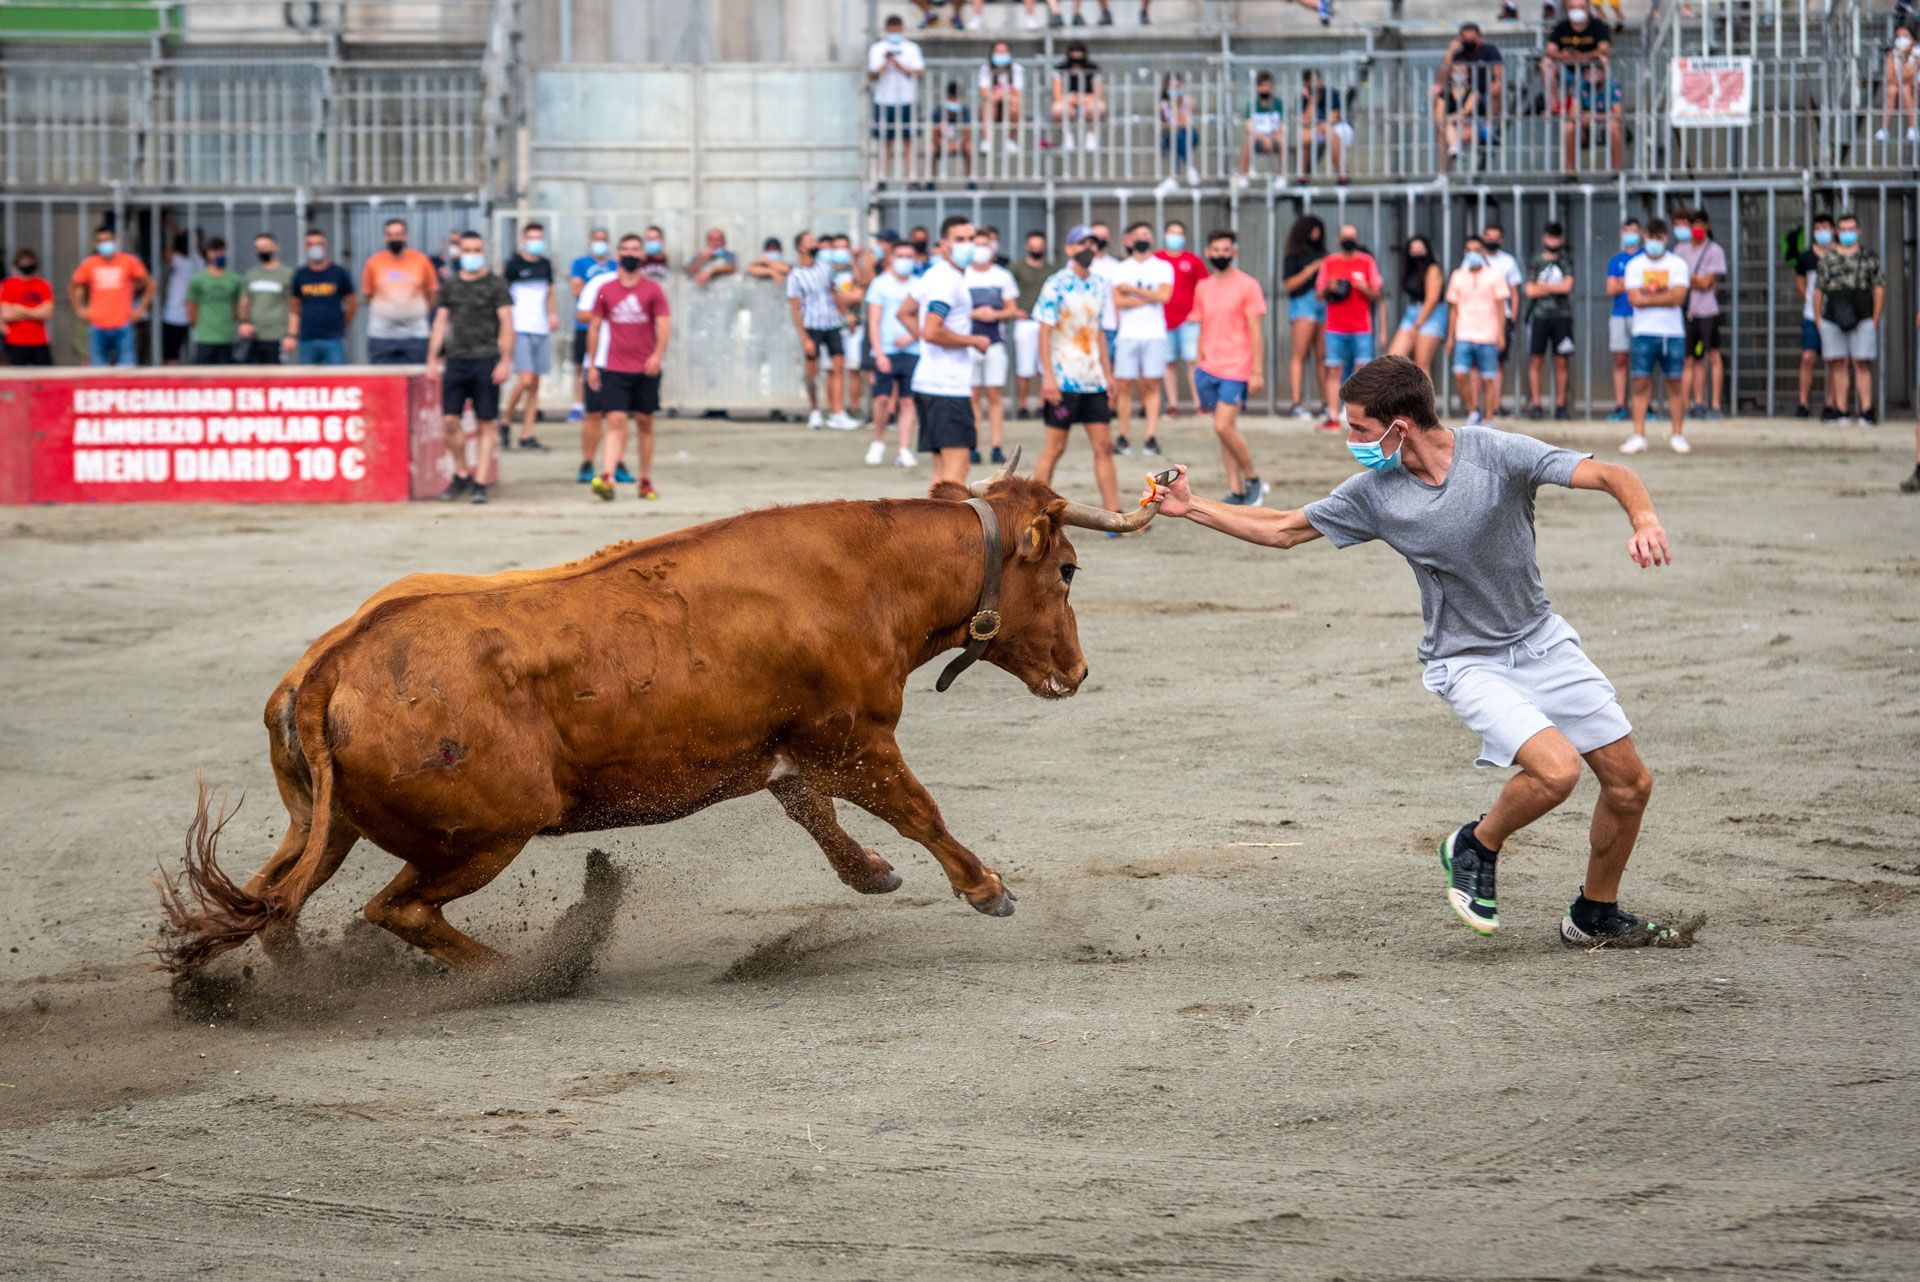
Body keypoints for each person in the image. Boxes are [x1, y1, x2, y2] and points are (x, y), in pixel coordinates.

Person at [1143, 354, 1671, 947]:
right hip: (1467, 661)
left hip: (1542, 640)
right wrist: (1192, 509)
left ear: (1400, 425)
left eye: (1359, 429)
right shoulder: (1376, 493)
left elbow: (1611, 475)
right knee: (1557, 771)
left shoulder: (1496, 454)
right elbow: (1284, 529)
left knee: (1630, 786)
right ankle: (1475, 844)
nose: (1351, 441)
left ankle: (1594, 914)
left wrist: (1643, 519)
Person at [1031, 224, 1121, 515]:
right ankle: (1031, 512)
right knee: (1055, 447)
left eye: (1092, 243)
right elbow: (1043, 333)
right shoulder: (1056, 284)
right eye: (1081, 243)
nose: (1088, 248)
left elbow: (1098, 333)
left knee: (1104, 446)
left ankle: (1114, 513)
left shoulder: (1098, 284)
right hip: (1064, 380)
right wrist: (1049, 378)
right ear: (1069, 248)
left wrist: (1108, 375)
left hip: (1093, 380)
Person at [898, 215, 989, 487]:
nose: (968, 245)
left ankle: (929, 529)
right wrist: (972, 340)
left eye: (971, 238)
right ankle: (945, 530)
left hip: (931, 383)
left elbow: (905, 312)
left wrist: (924, 340)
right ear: (944, 245)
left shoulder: (934, 274)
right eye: (960, 239)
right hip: (946, 387)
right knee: (955, 476)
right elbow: (933, 330)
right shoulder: (947, 280)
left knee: (941, 477)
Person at [426, 231, 513, 505]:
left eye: (477, 250)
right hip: (456, 359)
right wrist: (431, 358)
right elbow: (441, 321)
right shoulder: (450, 285)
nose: (472, 255)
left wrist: (505, 360)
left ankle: (481, 482)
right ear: (459, 252)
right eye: (467, 250)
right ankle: (461, 472)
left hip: (486, 358)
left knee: (485, 422)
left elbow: (507, 323)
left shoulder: (495, 284)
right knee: (450, 420)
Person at [586, 233, 672, 500]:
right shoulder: (606, 290)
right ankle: (608, 476)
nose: (631, 254)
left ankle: (645, 479)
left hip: (645, 366)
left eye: (636, 249)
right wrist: (591, 365)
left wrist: (657, 355)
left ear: (643, 255)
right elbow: (595, 327)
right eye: (626, 249)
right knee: (615, 419)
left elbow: (664, 325)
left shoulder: (653, 290)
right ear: (617, 255)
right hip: (615, 366)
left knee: (645, 422)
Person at [1192, 229, 1269, 507]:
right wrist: (1199, 363)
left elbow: (1256, 332)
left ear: (1234, 253)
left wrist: (1257, 370)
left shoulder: (1248, 285)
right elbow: (1202, 326)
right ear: (1208, 252)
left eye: (1227, 250)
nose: (1221, 255)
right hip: (1209, 367)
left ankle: (1253, 479)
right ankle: (1235, 490)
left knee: (1224, 426)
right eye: (1217, 250)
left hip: (1237, 367)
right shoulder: (1203, 287)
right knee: (1223, 429)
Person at [1620, 218, 1690, 455]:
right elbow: (1634, 299)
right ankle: (1638, 435)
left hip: (1672, 333)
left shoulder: (1678, 264)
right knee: (1640, 383)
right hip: (1643, 333)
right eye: (1651, 237)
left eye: (1659, 238)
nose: (1654, 243)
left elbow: (1679, 297)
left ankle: (1678, 434)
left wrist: (1647, 298)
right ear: (1645, 237)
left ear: (1665, 239)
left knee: (1675, 384)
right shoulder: (1634, 265)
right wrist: (1665, 295)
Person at [1811, 212, 1886, 427]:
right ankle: (1841, 411)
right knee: (1838, 363)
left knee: (1862, 362)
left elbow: (1879, 287)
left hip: (1863, 317)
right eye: (1843, 230)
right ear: (1837, 231)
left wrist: (1875, 318)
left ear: (1858, 231)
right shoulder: (1828, 259)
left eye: (1851, 229)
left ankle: (1866, 411)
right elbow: (1818, 291)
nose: (1847, 234)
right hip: (1833, 318)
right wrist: (1818, 320)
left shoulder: (1869, 257)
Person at [1108, 222, 1174, 457]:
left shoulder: (1163, 267)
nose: (1142, 238)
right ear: (1129, 240)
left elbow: (1164, 296)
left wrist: (1133, 291)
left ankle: (1150, 435)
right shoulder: (1120, 268)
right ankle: (1124, 435)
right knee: (1124, 385)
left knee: (1151, 384)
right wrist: (1150, 297)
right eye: (1138, 235)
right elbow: (1118, 301)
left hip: (1154, 333)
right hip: (1128, 333)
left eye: (1147, 234)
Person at [788, 231, 858, 430]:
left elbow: (834, 294)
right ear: (801, 247)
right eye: (810, 241)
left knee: (838, 365)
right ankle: (815, 411)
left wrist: (846, 314)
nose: (815, 244)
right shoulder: (796, 275)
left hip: (831, 323)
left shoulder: (825, 269)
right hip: (811, 325)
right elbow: (795, 307)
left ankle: (837, 412)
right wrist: (805, 338)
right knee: (812, 370)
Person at [1315, 224, 1382, 431]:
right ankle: (1333, 416)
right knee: (1334, 369)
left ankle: (1360, 417)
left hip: (1361, 325)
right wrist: (1331, 288)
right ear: (1338, 239)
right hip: (1335, 326)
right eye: (1345, 236)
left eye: (1352, 236)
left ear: (1358, 239)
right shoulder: (1330, 262)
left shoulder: (1366, 261)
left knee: (1362, 371)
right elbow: (1319, 293)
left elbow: (1377, 294)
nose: (1349, 240)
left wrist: (1364, 289)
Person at [502, 221, 559, 453]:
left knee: (535, 385)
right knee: (524, 380)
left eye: (539, 237)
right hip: (520, 327)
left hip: (540, 327)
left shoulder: (545, 265)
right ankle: (504, 421)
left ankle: (528, 434)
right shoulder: (513, 265)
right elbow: (503, 298)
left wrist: (553, 314)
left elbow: (550, 292)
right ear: (524, 240)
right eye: (532, 237)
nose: (536, 242)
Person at [571, 266, 629, 488]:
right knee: (594, 413)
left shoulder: (643, 286)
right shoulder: (601, 285)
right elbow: (583, 314)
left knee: (620, 416)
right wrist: (608, 310)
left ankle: (618, 463)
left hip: (626, 361)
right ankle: (587, 463)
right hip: (599, 360)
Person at [866, 240, 921, 468]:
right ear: (891, 258)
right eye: (901, 255)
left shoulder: (919, 285)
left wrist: (910, 336)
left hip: (912, 350)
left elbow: (923, 319)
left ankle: (904, 448)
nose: (905, 260)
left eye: (909, 256)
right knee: (882, 398)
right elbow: (874, 320)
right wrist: (879, 353)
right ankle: (878, 442)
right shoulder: (880, 284)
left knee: (908, 402)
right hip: (886, 351)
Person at [965, 228, 1019, 464]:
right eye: (976, 243)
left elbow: (1011, 308)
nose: (980, 248)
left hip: (995, 342)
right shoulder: (963, 274)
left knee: (995, 394)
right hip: (967, 343)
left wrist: (994, 314)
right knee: (973, 395)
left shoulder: (1002, 276)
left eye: (984, 244)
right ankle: (974, 445)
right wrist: (973, 313)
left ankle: (996, 445)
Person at [1446, 236, 1511, 427]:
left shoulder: (1494, 275)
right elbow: (1454, 308)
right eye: (1469, 249)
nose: (1472, 253)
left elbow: (1501, 307)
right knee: (1460, 373)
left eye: (1476, 249)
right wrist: (1450, 337)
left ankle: (1488, 418)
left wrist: (1501, 333)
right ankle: (1473, 410)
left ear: (1482, 252)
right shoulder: (1458, 275)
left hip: (1488, 334)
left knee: (1489, 377)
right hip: (1464, 332)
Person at [70, 227, 152, 368]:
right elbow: (73, 287)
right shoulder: (89, 264)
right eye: (100, 241)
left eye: (107, 240)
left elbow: (149, 284)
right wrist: (79, 309)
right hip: (97, 324)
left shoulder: (128, 261)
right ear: (95, 244)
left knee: (126, 368)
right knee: (97, 369)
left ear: (115, 241)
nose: (104, 244)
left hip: (123, 323)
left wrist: (140, 309)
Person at [362, 220, 437, 364]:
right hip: (381, 336)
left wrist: (418, 311)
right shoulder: (373, 262)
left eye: (398, 234)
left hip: (415, 335)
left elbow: (431, 292)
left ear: (405, 236)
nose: (394, 238)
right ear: (385, 237)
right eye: (390, 234)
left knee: (416, 381)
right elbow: (368, 295)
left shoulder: (421, 261)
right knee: (382, 381)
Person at [1676, 210, 1727, 421]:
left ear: (1706, 225)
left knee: (1713, 356)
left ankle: (1714, 405)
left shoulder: (1714, 250)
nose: (1695, 229)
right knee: (1691, 359)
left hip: (1708, 313)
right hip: (1689, 313)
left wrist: (1689, 279)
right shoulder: (1680, 249)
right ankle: (1691, 405)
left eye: (1699, 224)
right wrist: (1697, 279)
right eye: (1692, 224)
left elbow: (1708, 284)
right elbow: (1679, 281)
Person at [1524, 222, 1576, 420]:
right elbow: (1529, 290)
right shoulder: (1535, 260)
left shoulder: (1565, 260)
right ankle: (1536, 404)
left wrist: (1543, 286)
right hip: (1539, 317)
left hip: (1562, 318)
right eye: (1550, 236)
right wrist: (1556, 286)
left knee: (1561, 361)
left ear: (1561, 239)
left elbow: (1567, 287)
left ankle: (1561, 405)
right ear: (1544, 238)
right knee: (1536, 360)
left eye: (1556, 237)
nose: (1553, 241)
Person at [1435, 22, 1503, 170]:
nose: (1468, 43)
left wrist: (1495, 82)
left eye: (1471, 40)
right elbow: (1441, 78)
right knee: (1442, 129)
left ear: (1479, 38)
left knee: (1497, 88)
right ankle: (1444, 174)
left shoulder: (1489, 50)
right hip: (1462, 102)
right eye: (1465, 40)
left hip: (1482, 96)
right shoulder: (1458, 54)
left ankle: (1489, 124)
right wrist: (1450, 51)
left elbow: (1498, 73)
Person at [567, 227, 617, 424]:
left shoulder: (614, 265)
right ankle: (578, 405)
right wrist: (599, 293)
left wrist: (599, 294)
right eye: (596, 239)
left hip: (608, 329)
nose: (600, 242)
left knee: (608, 367)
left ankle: (607, 405)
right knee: (582, 366)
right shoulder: (580, 263)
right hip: (585, 326)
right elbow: (577, 289)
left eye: (603, 239)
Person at [868, 16, 924, 189]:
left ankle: (911, 178)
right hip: (884, 100)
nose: (894, 34)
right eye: (891, 31)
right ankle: (882, 177)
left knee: (909, 140)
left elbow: (919, 73)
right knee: (885, 141)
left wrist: (899, 65)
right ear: (886, 30)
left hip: (907, 99)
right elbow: (871, 74)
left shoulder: (911, 48)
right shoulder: (877, 49)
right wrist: (886, 63)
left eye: (897, 31)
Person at [1158, 220, 1206, 417]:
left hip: (1189, 321)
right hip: (1163, 321)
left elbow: (1203, 288)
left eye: (1179, 233)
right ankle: (1173, 405)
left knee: (1193, 362)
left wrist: (1197, 312)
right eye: (1171, 233)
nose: (1175, 237)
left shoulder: (1193, 261)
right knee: (1168, 363)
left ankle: (1199, 404)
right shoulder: (1157, 260)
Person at [1281, 216, 1328, 418]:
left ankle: (1328, 402)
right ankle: (1296, 403)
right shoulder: (1293, 257)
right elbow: (1289, 285)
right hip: (1302, 303)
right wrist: (1311, 270)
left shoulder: (1324, 254)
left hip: (1323, 303)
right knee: (1300, 354)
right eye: (1312, 230)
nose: (1316, 235)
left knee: (1323, 357)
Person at [290, 230, 356, 366]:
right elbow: (295, 306)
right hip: (307, 337)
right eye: (310, 244)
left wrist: (342, 322)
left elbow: (352, 303)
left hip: (333, 337)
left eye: (319, 243)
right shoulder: (300, 275)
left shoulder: (339, 273)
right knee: (307, 382)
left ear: (325, 246)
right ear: (305, 247)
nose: (315, 247)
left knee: (337, 379)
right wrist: (293, 333)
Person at [1387, 235, 1447, 378]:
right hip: (1412, 312)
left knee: (1422, 362)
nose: (1416, 252)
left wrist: (1417, 325)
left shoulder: (1433, 269)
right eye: (1413, 249)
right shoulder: (1410, 270)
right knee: (1393, 359)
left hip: (1431, 314)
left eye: (1420, 248)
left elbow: (1432, 299)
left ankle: (1425, 400)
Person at [1481, 222, 1524, 417]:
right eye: (1488, 236)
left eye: (1496, 237)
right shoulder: (1474, 261)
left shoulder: (1508, 261)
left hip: (1500, 318)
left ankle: (1495, 404)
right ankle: (1478, 406)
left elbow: (1514, 293)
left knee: (1497, 362)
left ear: (1502, 239)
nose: (1491, 240)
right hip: (1477, 319)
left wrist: (1512, 318)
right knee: (1475, 364)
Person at [1792, 214, 1833, 418]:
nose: (1821, 232)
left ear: (1833, 230)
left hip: (1835, 316)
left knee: (1834, 360)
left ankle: (1831, 403)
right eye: (1818, 228)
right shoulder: (1806, 257)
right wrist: (1810, 300)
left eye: (1825, 227)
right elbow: (1799, 282)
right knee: (1808, 357)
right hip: (1810, 314)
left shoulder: (1838, 256)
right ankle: (1803, 403)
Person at [1010, 230, 1052, 420]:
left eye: (1039, 245)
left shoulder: (1051, 270)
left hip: (1045, 322)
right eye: (1033, 245)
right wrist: (1014, 310)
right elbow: (1008, 292)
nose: (1036, 249)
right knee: (1024, 367)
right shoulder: (1016, 268)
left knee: (1045, 365)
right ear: (1027, 246)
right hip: (1025, 321)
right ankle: (1022, 405)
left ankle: (1044, 403)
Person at [1542, 4, 1611, 114]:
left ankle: (1603, 104)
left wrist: (1583, 57)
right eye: (1573, 8)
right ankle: (1553, 106)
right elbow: (1550, 50)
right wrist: (1564, 56)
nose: (1577, 11)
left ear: (1588, 8)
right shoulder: (1562, 26)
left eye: (1581, 7)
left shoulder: (1597, 25)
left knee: (1604, 60)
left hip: (1589, 69)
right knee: (1547, 62)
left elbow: (1604, 49)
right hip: (1567, 69)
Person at [1604, 220, 1641, 421]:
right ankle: (1620, 406)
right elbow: (1610, 288)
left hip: (1641, 316)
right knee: (1620, 359)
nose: (1630, 234)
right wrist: (1634, 282)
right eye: (1627, 231)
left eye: (1634, 231)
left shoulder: (1645, 257)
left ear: (1641, 233)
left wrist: (1623, 282)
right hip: (1619, 314)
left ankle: (1644, 407)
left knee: (1641, 362)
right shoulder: (1615, 260)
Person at [237, 233, 294, 364]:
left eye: (266, 246)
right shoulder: (251, 274)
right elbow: (244, 302)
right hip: (253, 336)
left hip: (276, 336)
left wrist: (291, 334)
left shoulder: (287, 274)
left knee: (276, 378)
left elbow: (293, 307)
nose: (262, 250)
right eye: (258, 247)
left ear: (275, 248)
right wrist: (243, 322)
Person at [184, 239, 243, 365]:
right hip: (205, 336)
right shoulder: (198, 279)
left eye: (221, 251)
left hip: (226, 335)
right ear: (207, 254)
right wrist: (196, 324)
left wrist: (238, 323)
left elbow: (237, 305)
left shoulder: (235, 279)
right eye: (214, 252)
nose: (218, 255)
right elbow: (191, 305)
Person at [1567, 59, 1625, 172]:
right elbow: (1572, 113)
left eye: (1595, 71)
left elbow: (1617, 114)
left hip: (1605, 125)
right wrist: (1582, 118)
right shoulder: (1580, 85)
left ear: (1603, 73)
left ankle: (1616, 173)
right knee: (1569, 127)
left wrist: (1594, 116)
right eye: (1587, 71)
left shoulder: (1612, 86)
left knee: (1614, 125)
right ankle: (1570, 174)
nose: (1591, 74)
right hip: (1585, 126)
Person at [0, 249, 55, 366]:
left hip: (39, 340)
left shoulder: (42, 284)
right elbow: (6, 315)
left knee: (46, 376)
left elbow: (47, 313)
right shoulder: (8, 285)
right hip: (15, 341)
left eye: (29, 261)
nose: (27, 265)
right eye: (23, 262)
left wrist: (19, 309)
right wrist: (35, 311)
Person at [1298, 68, 1352, 185]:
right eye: (1310, 83)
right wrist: (1312, 100)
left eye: (1316, 81)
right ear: (1306, 85)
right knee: (1304, 137)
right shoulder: (1304, 99)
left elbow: (1333, 118)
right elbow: (1305, 121)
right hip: (1319, 128)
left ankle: (1342, 176)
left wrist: (1319, 126)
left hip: (1340, 127)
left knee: (1331, 134)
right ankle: (1302, 177)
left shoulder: (1331, 94)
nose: (1315, 85)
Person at [1050, 41, 1105, 153]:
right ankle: (1067, 136)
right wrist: (1071, 99)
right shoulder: (1060, 70)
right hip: (1068, 104)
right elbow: (1058, 94)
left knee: (1099, 107)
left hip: (1088, 103)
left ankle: (1091, 136)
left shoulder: (1093, 69)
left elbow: (1098, 94)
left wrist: (1081, 98)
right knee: (1058, 109)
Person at [1235, 71, 1287, 188]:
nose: (1265, 90)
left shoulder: (1278, 104)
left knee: (1282, 141)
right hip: (1258, 139)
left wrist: (1271, 137)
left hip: (1274, 139)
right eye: (1262, 86)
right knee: (1248, 141)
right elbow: (1248, 127)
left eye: (1268, 86)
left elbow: (1282, 126)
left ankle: (1282, 177)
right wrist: (1263, 138)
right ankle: (1242, 176)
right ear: (1257, 88)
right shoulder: (1252, 105)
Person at [161, 230, 202, 365]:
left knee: (171, 355)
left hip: (174, 315)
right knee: (191, 354)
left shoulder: (179, 261)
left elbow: (166, 252)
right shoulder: (198, 261)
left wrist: (174, 231)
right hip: (192, 315)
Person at [978, 41, 1024, 159]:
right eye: (998, 52)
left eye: (1004, 52)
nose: (1001, 54)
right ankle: (987, 139)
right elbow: (984, 92)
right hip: (993, 105)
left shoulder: (1016, 69)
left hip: (1008, 104)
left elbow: (1018, 93)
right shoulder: (985, 69)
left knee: (1015, 104)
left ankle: (1010, 139)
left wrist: (1000, 94)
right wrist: (1002, 94)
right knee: (988, 103)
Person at [1876, 24, 1919, 143]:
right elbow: (1890, 76)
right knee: (1892, 89)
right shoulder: (1892, 55)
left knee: (1904, 88)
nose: (1901, 39)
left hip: (1916, 90)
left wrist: (1904, 56)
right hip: (1902, 90)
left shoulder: (1917, 53)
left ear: (1912, 39)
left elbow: (1910, 76)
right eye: (1898, 36)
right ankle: (1884, 129)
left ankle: (1913, 128)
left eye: (1905, 36)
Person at [1157, 72, 1201, 190]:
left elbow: (1184, 121)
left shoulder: (1188, 101)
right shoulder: (1163, 104)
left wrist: (1178, 107)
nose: (1176, 91)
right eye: (1173, 88)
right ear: (1167, 88)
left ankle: (1174, 177)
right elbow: (1167, 125)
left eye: (1178, 87)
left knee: (1177, 135)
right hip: (1172, 137)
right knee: (1175, 137)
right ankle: (1188, 169)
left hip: (1190, 135)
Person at [932, 81, 976, 187]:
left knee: (970, 147)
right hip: (942, 143)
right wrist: (943, 145)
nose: (954, 101)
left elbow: (967, 134)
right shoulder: (938, 111)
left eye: (956, 98)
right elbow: (934, 135)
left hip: (959, 143)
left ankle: (970, 181)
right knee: (931, 148)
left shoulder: (965, 110)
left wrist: (956, 144)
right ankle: (931, 181)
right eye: (952, 98)